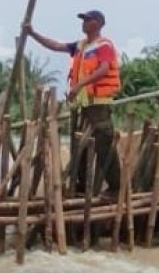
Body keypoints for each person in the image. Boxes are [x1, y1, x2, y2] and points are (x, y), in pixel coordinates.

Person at [26, 10, 121, 196]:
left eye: (87, 20)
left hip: (99, 105)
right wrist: (33, 33)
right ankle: (83, 186)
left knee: (103, 145)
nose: (83, 23)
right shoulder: (81, 46)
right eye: (83, 20)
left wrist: (79, 85)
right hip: (83, 105)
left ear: (98, 23)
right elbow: (55, 45)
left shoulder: (104, 45)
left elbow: (103, 69)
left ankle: (116, 188)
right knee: (81, 146)